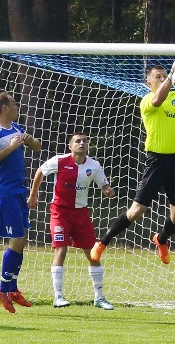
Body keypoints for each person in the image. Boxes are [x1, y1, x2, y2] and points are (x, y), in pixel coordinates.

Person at [91, 56, 175, 264]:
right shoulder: (147, 101)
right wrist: (172, 76)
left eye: (164, 76)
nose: (162, 79)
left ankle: (161, 239)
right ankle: (103, 242)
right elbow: (157, 100)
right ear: (148, 82)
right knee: (137, 211)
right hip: (157, 161)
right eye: (158, 77)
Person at [28, 132, 117, 310]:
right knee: (61, 249)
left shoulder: (94, 165)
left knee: (93, 254)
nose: (82, 143)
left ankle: (99, 297)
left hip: (81, 214)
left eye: (85, 140)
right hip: (59, 211)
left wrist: (108, 190)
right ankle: (58, 296)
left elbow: (103, 185)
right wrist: (33, 195)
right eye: (78, 141)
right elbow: (40, 171)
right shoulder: (59, 161)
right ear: (70, 146)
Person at [0, 92, 41, 313]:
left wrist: (29, 140)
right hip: (3, 193)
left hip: (18, 191)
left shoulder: (15, 128)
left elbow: (37, 147)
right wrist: (11, 148)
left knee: (22, 238)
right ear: (5, 108)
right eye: (14, 104)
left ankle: (13, 288)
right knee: (16, 239)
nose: (17, 107)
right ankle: (3, 288)